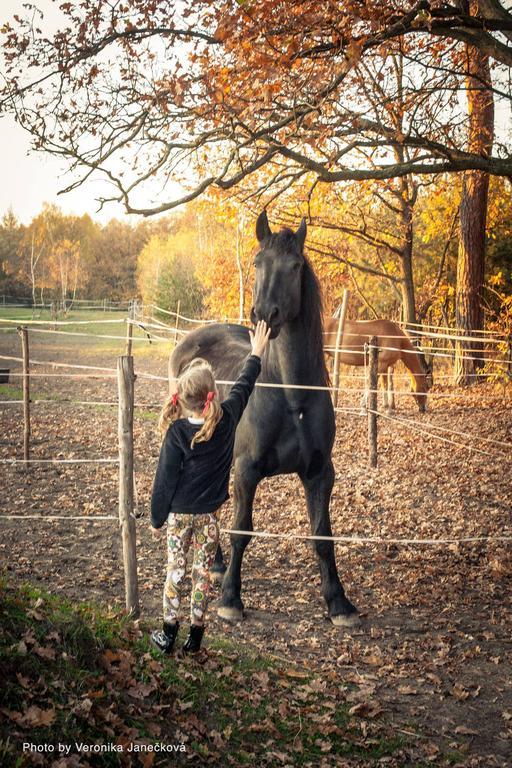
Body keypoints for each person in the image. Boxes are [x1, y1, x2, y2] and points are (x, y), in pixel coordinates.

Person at [150, 319, 271, 655]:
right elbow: (245, 385)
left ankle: (168, 634)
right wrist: (257, 351)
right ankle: (195, 638)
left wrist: (157, 518)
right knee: (203, 576)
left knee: (176, 571)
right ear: (213, 394)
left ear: (184, 399)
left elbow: (164, 481)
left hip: (178, 518)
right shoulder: (228, 420)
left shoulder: (175, 434)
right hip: (208, 518)